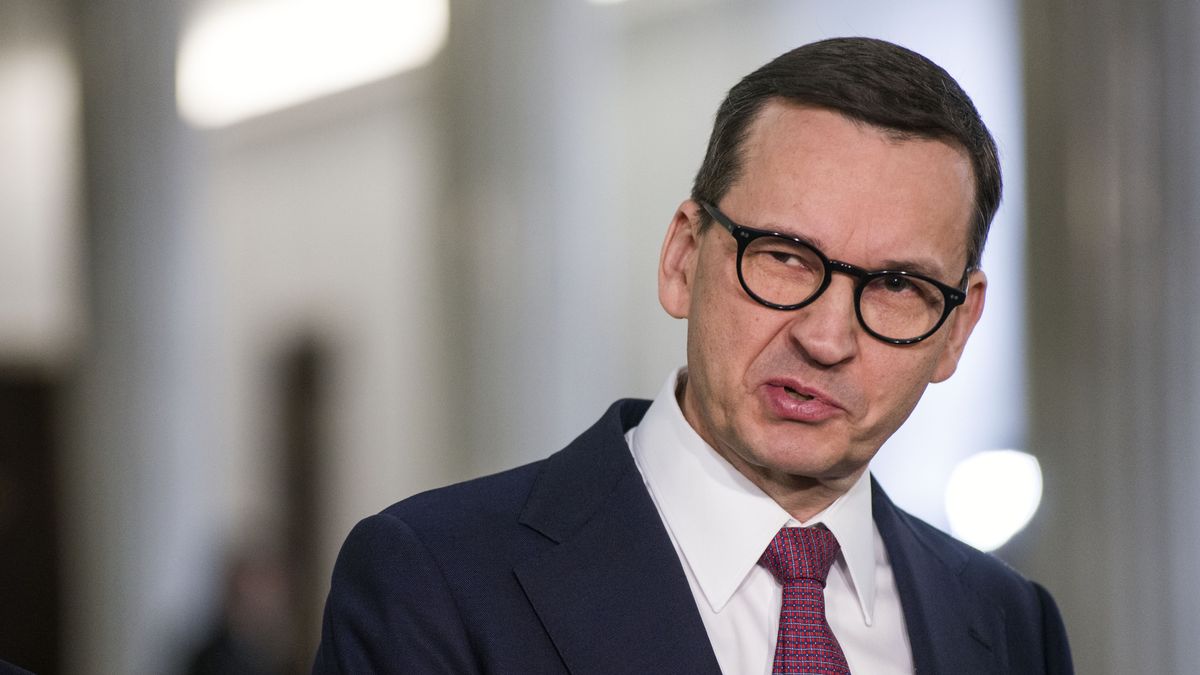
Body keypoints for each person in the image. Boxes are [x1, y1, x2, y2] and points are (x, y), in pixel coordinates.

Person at [313, 37, 1073, 674]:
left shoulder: (1012, 626)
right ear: (682, 257)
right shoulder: (435, 581)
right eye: (785, 256)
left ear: (957, 329)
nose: (826, 339)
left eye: (897, 285)